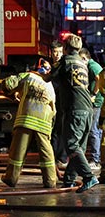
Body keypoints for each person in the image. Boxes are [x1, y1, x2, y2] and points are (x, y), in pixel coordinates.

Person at [49, 34, 99, 193]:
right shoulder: (82, 62)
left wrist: (34, 74)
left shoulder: (65, 61)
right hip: (88, 109)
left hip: (75, 110)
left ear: (65, 48)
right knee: (79, 147)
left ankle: (89, 177)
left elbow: (48, 78)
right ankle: (69, 180)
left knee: (71, 145)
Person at [0, 58, 57, 188]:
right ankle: (50, 181)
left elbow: (8, 84)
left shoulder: (28, 76)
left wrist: (12, 93)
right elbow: (54, 108)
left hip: (26, 120)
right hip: (44, 123)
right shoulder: (50, 84)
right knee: (46, 152)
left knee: (18, 152)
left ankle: (11, 178)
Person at [80, 48, 103, 172]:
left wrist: (94, 94)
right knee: (96, 131)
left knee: (93, 130)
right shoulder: (92, 65)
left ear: (84, 58)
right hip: (98, 102)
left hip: (96, 102)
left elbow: (99, 78)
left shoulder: (92, 66)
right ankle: (96, 158)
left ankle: (95, 160)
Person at [49, 40, 68, 171]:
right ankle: (53, 158)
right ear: (51, 53)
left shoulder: (64, 65)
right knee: (52, 131)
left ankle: (61, 158)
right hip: (50, 103)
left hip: (61, 102)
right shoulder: (48, 65)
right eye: (55, 52)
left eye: (60, 52)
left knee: (61, 130)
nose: (57, 54)